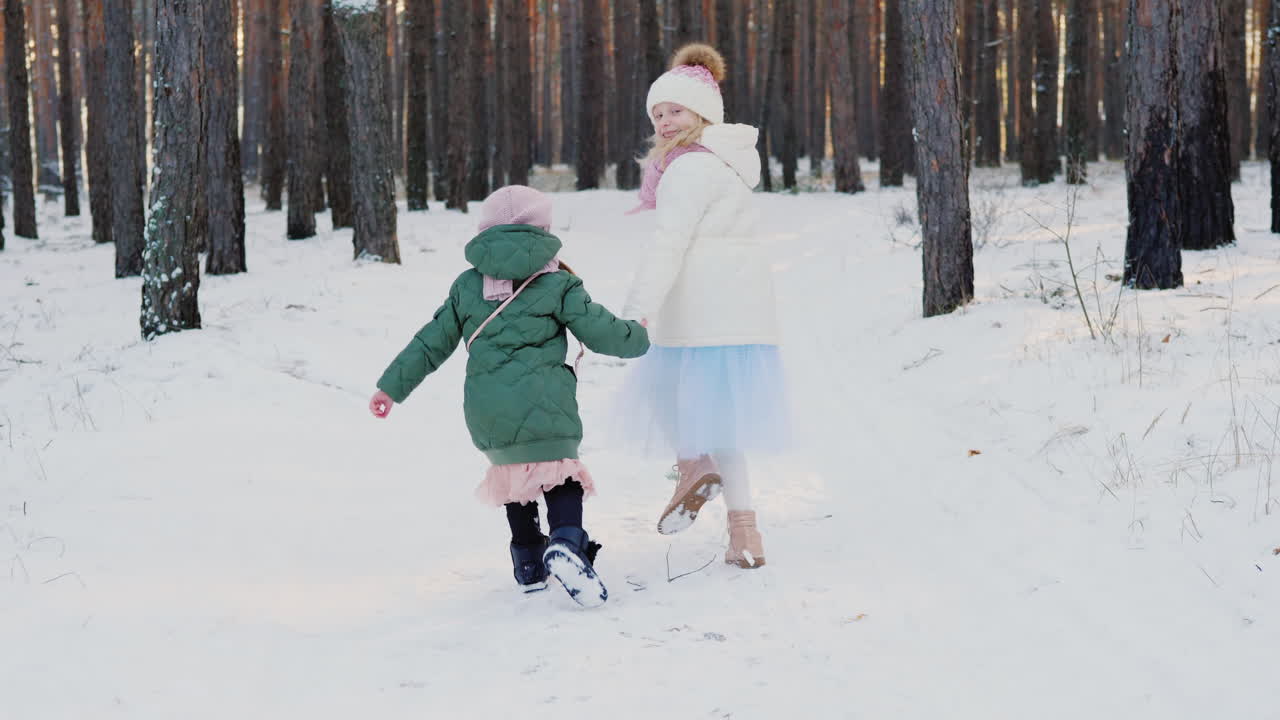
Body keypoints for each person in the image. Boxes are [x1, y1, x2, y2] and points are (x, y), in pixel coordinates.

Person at [370, 185, 649, 606]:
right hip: (546, 401)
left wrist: (391, 387)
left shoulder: (467, 285)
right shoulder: (558, 283)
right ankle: (567, 542)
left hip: (487, 408)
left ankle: (529, 563)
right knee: (561, 474)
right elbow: (604, 333)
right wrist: (642, 335)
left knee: (514, 476)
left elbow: (430, 343)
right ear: (541, 229)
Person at [619, 44, 789, 569]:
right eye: (659, 113)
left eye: (676, 111)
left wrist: (636, 310)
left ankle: (692, 469)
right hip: (740, 311)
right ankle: (745, 536)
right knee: (723, 428)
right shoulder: (727, 165)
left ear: (703, 115)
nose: (666, 122)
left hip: (698, 310)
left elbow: (669, 243)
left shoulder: (688, 170)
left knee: (666, 398)